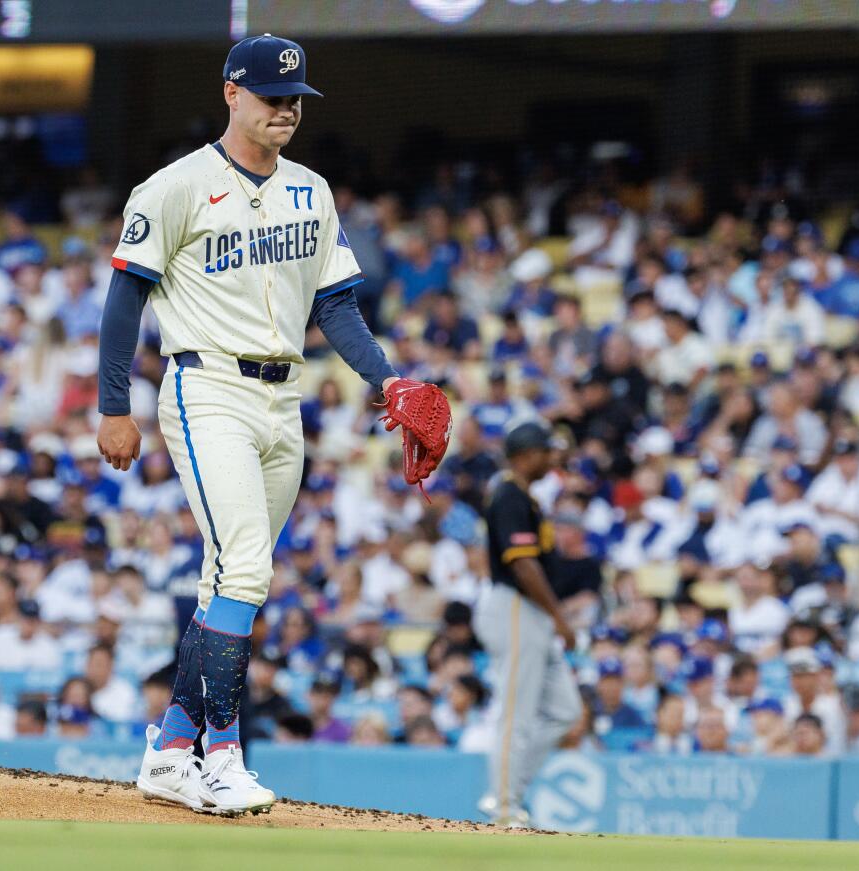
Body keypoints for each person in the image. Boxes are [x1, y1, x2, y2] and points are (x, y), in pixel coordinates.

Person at [101, 36, 440, 816]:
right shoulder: (175, 187)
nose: (285, 109)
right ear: (231, 93)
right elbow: (124, 302)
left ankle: (171, 747)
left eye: (294, 99)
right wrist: (112, 405)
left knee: (228, 578)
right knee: (247, 570)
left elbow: (336, 307)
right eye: (270, 95)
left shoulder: (311, 191)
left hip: (284, 399)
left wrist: (387, 380)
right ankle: (221, 756)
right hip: (206, 384)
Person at [473, 421, 580, 827]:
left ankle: (507, 792)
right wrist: (559, 617)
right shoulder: (509, 495)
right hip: (515, 606)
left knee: (564, 711)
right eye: (544, 450)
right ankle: (503, 807)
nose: (551, 457)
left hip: (529, 611)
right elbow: (523, 565)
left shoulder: (522, 495)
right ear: (524, 454)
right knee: (516, 712)